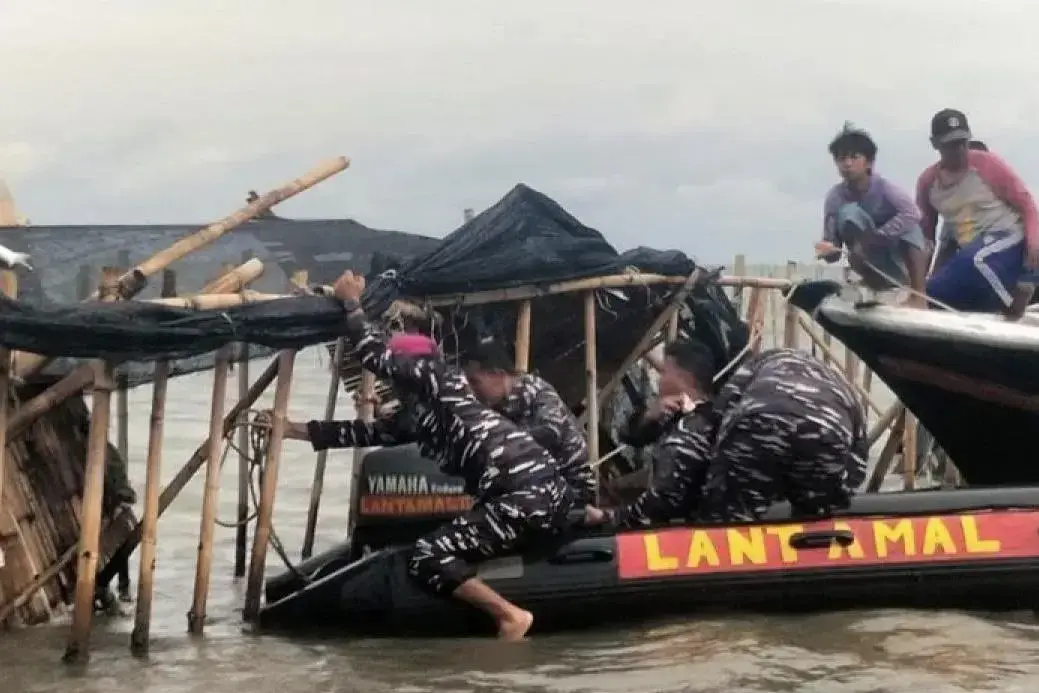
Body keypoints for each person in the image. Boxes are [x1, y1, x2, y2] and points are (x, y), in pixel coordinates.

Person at [288, 271, 573, 640]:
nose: (392, 380)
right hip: (528, 496)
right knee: (436, 540)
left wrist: (351, 305)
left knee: (428, 555)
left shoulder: (439, 377)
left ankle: (510, 616)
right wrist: (290, 429)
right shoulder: (425, 412)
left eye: (397, 371)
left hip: (524, 493)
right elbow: (364, 432)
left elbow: (376, 359)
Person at [585, 339, 867, 528]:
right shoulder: (750, 378)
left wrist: (610, 518)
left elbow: (666, 500)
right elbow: (854, 460)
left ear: (684, 381)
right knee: (819, 517)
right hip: (838, 421)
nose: (659, 381)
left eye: (663, 374)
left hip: (763, 418)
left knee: (726, 525)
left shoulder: (696, 426)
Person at [917, 109, 1039, 318]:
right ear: (935, 144)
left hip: (1008, 240)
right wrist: (919, 287)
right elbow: (926, 238)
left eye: (963, 142)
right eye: (951, 144)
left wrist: (1034, 245)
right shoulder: (928, 183)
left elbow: (1027, 205)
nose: (959, 149)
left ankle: (1019, 298)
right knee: (933, 294)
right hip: (972, 252)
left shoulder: (987, 164)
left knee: (974, 261)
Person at [461, 339, 594, 504]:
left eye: (475, 382)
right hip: (532, 488)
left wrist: (502, 443)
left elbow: (551, 432)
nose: (474, 391)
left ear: (497, 374)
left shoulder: (536, 390)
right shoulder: (492, 408)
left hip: (572, 486)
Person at [816, 123, 930, 308]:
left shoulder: (885, 189)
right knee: (848, 214)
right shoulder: (834, 198)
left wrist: (877, 237)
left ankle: (919, 296)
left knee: (912, 229)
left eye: (854, 157)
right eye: (841, 158)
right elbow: (834, 253)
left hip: (896, 259)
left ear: (868, 162)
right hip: (865, 259)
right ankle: (873, 284)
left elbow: (913, 213)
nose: (847, 164)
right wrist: (827, 250)